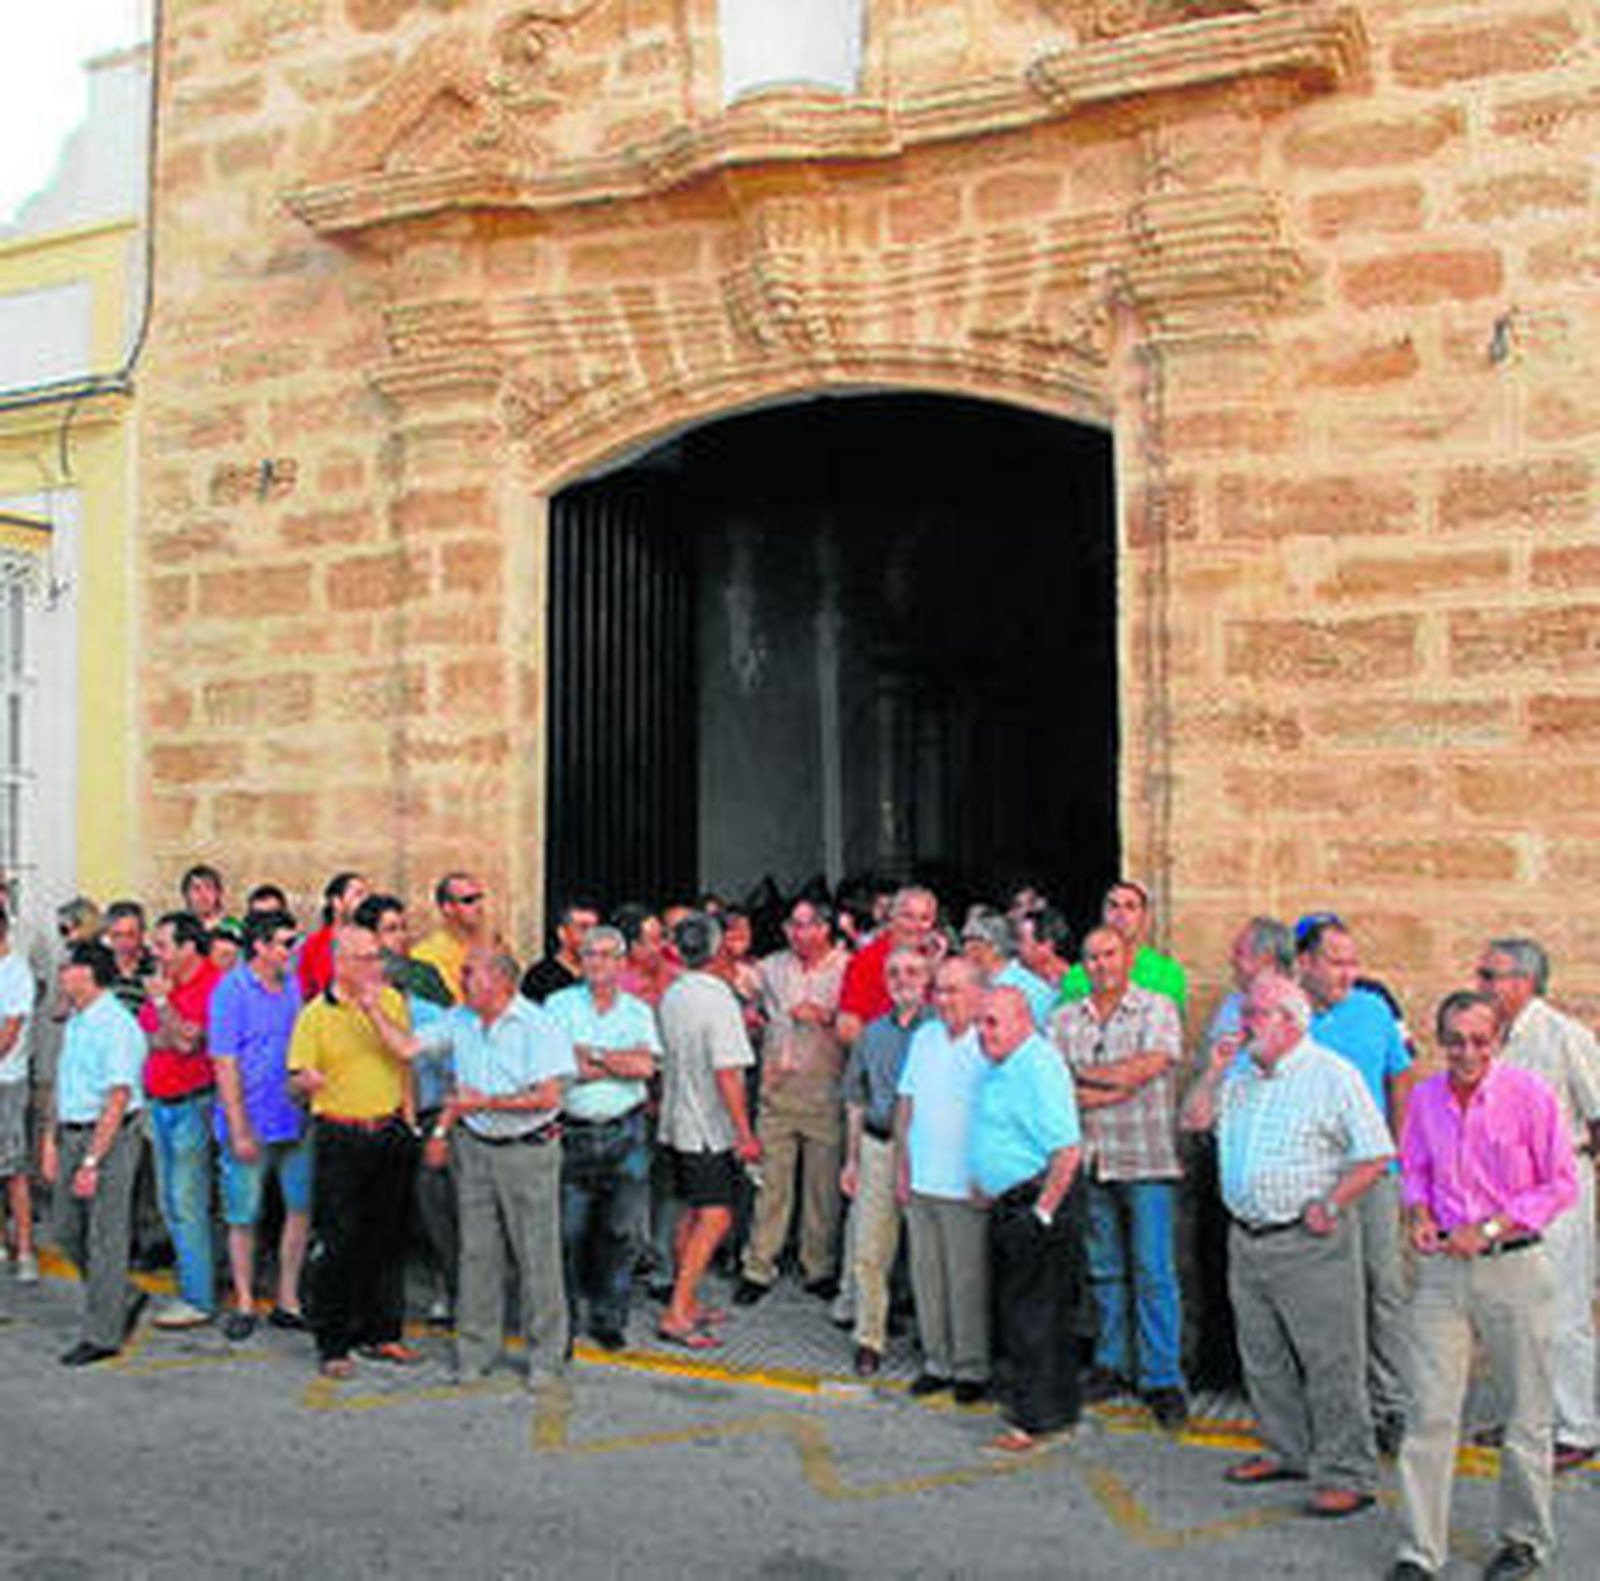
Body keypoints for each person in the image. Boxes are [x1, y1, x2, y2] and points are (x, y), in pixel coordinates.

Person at [1182, 973, 1393, 1519]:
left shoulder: (1331, 1075)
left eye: (1255, 1014)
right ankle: (1286, 1450)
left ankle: (1348, 1471)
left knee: (1331, 1362)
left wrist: (1331, 1203)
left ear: (1290, 1021)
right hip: (1248, 1237)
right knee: (1264, 1357)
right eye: (1245, 1012)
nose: (1243, 1023)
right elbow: (1193, 1120)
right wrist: (1213, 1069)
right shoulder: (1241, 1077)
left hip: (1309, 1242)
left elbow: (1374, 1153)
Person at [1388, 991, 1578, 1581]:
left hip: (1514, 1267)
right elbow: (1413, 1168)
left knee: (1526, 1413)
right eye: (1456, 1041)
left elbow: (1561, 1184)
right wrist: (1418, 1215)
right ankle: (1421, 1551)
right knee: (1429, 1411)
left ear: (1496, 1041)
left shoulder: (1530, 1096)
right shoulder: (1424, 1098)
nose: (1467, 1053)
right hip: (1443, 1273)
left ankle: (1524, 1541)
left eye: (1479, 1041)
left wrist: (1491, 1226)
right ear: (1440, 1039)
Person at [385, 949, 576, 1390]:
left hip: (528, 1150)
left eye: (470, 972)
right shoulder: (462, 1019)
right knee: (477, 1253)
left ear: (500, 982)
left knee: (536, 1257)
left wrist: (481, 1103)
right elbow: (408, 1046)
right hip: (475, 1147)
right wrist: (372, 1004)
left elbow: (549, 1097)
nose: (460, 976)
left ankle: (545, 1358)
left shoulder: (538, 1026)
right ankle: (475, 1352)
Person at [1051, 925, 1188, 1426]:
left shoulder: (1157, 1009)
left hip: (1146, 1157)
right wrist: (1114, 1086)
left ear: (1127, 957)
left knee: (1155, 1272)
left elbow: (1149, 1066)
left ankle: (1162, 1377)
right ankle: (1112, 1364)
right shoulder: (1065, 1018)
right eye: (1091, 957)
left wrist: (1090, 1077)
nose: (1100, 965)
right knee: (1104, 1269)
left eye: (1109, 955)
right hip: (1092, 1159)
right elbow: (1055, 1083)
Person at [1474, 936, 1600, 1472]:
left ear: (1524, 981)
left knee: (1564, 1308)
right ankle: (1528, 1419)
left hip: (1557, 1189)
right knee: (1513, 1311)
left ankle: (1576, 1427)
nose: (1480, 984)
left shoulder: (1563, 1037)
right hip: (1504, 1194)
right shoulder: (1491, 1040)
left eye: (1491, 975)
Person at [1298, 916, 1413, 1453]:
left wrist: (1396, 1150)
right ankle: (1331, 1408)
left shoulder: (1373, 1011)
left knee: (1383, 1290)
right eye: (1336, 962)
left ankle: (1389, 1404)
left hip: (1371, 1177)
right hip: (1310, 1180)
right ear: (1305, 964)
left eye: (1353, 961)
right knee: (1323, 1299)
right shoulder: (1287, 1017)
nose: (1350, 972)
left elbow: (1401, 1076)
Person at [287, 924, 417, 1378]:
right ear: (340, 962)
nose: (375, 967)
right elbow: (295, 1081)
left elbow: (405, 1061)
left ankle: (384, 1332)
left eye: (377, 957)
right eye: (365, 959)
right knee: (341, 1239)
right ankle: (334, 1342)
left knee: (389, 1237)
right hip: (340, 1134)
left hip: (388, 1129)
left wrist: (410, 1118)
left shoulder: (393, 1001)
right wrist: (305, 1083)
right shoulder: (313, 1015)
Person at [972, 985, 1083, 1452]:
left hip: (1039, 1202)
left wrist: (1041, 1215)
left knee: (1035, 1314)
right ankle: (1040, 1406)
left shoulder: (1038, 1065)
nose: (982, 1032)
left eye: (993, 1022)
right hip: (1011, 1201)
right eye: (980, 1022)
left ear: (1024, 1022)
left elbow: (1068, 1150)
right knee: (1020, 1311)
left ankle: (1036, 1419)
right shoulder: (1001, 1066)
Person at [1189, 916, 1296, 1391]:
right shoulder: (1229, 1006)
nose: (1233, 961)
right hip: (1224, 1144)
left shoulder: (1293, 1008)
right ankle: (1223, 1367)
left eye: (1241, 953)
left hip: (1270, 1150)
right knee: (1216, 1259)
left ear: (1269, 960)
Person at [546, 925, 659, 1351]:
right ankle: (566, 1321)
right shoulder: (558, 1005)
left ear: (623, 963)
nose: (600, 963)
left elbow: (646, 1068)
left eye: (610, 955)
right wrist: (617, 1061)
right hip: (571, 1132)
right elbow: (557, 1066)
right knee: (567, 1233)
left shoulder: (638, 1011)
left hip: (625, 1132)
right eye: (592, 954)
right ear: (580, 959)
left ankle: (609, 1318)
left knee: (620, 1232)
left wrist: (589, 1055)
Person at [654, 912, 761, 1349]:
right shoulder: (719, 999)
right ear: (717, 949)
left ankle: (688, 1299)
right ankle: (678, 1312)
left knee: (691, 1213)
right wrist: (745, 1134)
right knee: (716, 1217)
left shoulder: (673, 993)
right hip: (707, 1128)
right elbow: (729, 1074)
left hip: (676, 1121)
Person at [736, 898, 849, 1305]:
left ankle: (818, 1266)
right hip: (776, 1092)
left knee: (822, 1191)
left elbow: (860, 1025)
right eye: (792, 925)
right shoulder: (773, 967)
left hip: (825, 1092)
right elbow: (737, 983)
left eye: (807, 925)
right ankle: (758, 1266)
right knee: (770, 1186)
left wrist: (827, 1017)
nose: (797, 934)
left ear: (825, 928)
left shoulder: (846, 967)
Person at [42, 942, 147, 1365]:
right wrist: (50, 1140)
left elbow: (118, 1097)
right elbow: (63, 1083)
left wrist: (92, 1161)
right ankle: (119, 1293)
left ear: (87, 974)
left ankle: (103, 1333)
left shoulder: (116, 1026)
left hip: (110, 1136)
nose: (61, 975)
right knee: (67, 1230)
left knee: (106, 1235)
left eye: (67, 968)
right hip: (72, 1131)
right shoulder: (77, 1021)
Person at [208, 909, 309, 1339]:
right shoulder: (230, 992)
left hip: (293, 1117)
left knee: (300, 1208)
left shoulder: (293, 986)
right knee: (243, 1214)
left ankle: (288, 1298)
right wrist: (240, 1127)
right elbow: (225, 1063)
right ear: (262, 947)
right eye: (285, 943)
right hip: (249, 1117)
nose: (292, 951)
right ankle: (246, 1300)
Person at [895, 956, 991, 1403]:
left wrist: (988, 1173)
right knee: (927, 1277)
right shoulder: (925, 1037)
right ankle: (937, 1362)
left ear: (978, 993)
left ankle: (972, 1368)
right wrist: (902, 1168)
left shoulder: (989, 1043)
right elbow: (905, 1106)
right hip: (922, 1180)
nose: (945, 1000)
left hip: (966, 1184)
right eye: (941, 991)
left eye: (955, 990)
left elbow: (998, 1117)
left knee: (966, 1279)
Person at [357, 891, 456, 1325]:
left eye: (402, 928)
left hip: (428, 1107)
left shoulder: (425, 983)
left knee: (436, 1211)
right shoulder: (351, 988)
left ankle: (447, 1289)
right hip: (378, 1112)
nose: (400, 938)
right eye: (389, 929)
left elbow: (447, 1042)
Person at [839, 944, 931, 1376]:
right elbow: (855, 1100)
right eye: (894, 973)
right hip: (878, 1147)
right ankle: (869, 1339)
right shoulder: (871, 1034)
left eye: (912, 971)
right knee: (870, 1249)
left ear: (928, 977)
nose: (902, 980)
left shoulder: (941, 1031)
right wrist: (852, 1160)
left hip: (930, 1153)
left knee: (929, 1254)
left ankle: (935, 1344)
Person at [140, 910, 222, 1329]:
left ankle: (199, 1298)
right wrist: (170, 1024)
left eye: (163, 946)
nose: (156, 953)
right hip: (161, 1102)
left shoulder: (211, 984)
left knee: (188, 1204)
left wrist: (161, 1003)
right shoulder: (168, 982)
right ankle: (193, 1285)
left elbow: (188, 1043)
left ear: (189, 947)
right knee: (170, 1203)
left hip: (193, 1103)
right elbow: (153, 1038)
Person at [1057, 880, 1187, 1015]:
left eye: (1130, 907)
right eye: (1113, 906)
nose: (1120, 914)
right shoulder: (1077, 975)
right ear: (1103, 915)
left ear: (1145, 917)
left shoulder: (1167, 973)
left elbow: (1167, 1026)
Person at [837, 886, 940, 1044]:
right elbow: (847, 1027)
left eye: (924, 919)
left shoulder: (937, 958)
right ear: (892, 918)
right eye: (908, 916)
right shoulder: (866, 959)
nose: (915, 926)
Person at [0, 907, 39, 1281]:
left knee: (13, 1168)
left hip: (7, 1081)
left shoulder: (16, 972)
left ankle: (25, 1249)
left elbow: (9, 1034)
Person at [412, 871, 491, 1004]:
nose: (478, 907)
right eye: (468, 900)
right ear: (447, 908)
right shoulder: (427, 954)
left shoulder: (490, 946)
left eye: (479, 898)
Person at [297, 872, 370, 999]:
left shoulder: (376, 941)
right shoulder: (314, 945)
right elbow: (305, 992)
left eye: (366, 895)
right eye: (358, 894)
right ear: (337, 902)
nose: (366, 901)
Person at [521, 897, 601, 1004]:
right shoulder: (540, 977)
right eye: (583, 928)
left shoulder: (602, 976)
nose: (591, 936)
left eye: (595, 929)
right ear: (562, 933)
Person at [181, 864, 232, 931]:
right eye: (197, 889)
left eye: (209, 888)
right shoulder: (177, 927)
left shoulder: (233, 928)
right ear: (186, 895)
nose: (203, 895)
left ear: (218, 893)